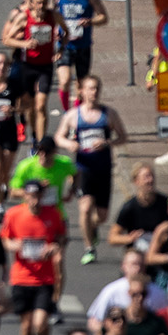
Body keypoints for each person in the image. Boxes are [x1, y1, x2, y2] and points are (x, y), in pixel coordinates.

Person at [54, 77, 130, 266]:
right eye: (90, 89)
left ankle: (92, 227)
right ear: (82, 92)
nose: (93, 93)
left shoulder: (109, 114)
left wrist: (107, 143)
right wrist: (69, 144)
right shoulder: (73, 115)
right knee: (85, 207)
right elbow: (58, 137)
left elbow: (123, 137)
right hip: (83, 169)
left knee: (102, 216)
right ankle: (89, 248)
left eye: (96, 89)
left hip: (103, 169)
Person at [3, 178, 68, 335]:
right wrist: (16, 246)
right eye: (30, 195)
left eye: (37, 195)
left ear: (42, 196)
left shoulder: (52, 214)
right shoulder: (14, 214)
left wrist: (54, 247)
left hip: (44, 278)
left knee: (40, 323)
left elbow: (61, 237)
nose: (34, 200)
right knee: (26, 325)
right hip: (21, 277)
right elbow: (6, 239)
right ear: (25, 195)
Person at [3, 0, 68, 142]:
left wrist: (61, 49)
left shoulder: (54, 16)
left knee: (41, 105)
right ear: (31, 4)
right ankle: (33, 136)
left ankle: (40, 143)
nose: (41, 7)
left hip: (45, 66)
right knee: (30, 106)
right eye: (38, 3)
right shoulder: (24, 18)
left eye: (44, 3)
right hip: (27, 65)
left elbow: (66, 32)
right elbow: (7, 39)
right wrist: (24, 44)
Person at [55, 0, 108, 113]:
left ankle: (77, 116)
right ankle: (67, 114)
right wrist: (54, 30)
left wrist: (89, 21)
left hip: (83, 46)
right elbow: (48, 15)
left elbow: (104, 17)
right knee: (64, 80)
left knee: (81, 86)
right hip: (64, 45)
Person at [105, 163, 168, 273]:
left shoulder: (165, 203)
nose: (150, 180)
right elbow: (112, 238)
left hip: (159, 258)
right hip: (138, 260)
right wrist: (129, 238)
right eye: (146, 177)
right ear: (136, 181)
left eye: (152, 176)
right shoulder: (130, 207)